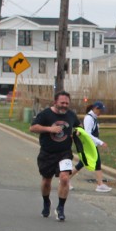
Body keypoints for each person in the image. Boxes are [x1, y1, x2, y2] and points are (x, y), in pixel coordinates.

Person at [29, 91, 81, 221]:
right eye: (62, 103)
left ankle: (60, 208)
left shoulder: (71, 115)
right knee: (46, 181)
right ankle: (46, 201)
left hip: (64, 153)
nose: (65, 105)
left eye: (67, 103)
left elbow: (79, 127)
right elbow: (33, 128)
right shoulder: (45, 114)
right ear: (55, 102)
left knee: (65, 178)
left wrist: (78, 132)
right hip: (47, 153)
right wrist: (49, 129)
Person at [69, 101, 112, 192]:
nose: (101, 112)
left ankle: (65, 179)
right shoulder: (89, 118)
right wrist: (100, 142)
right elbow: (88, 134)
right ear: (95, 108)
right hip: (89, 145)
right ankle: (100, 184)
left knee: (83, 163)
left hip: (90, 145)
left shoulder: (93, 118)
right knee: (96, 162)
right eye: (100, 110)